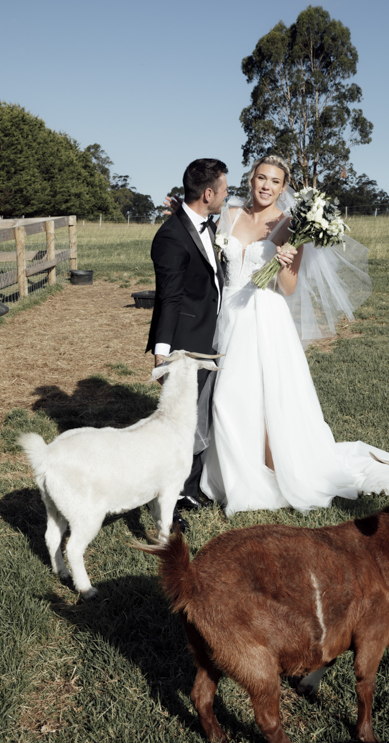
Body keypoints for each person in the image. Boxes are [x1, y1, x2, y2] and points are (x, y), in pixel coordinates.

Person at [199, 154, 389, 516]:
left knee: (261, 399)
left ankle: (270, 473)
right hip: (228, 313)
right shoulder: (229, 215)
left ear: (284, 187)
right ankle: (233, 474)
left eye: (275, 181)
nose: (266, 186)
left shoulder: (290, 224)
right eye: (261, 178)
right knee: (228, 397)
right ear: (251, 179)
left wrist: (281, 265)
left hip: (264, 316)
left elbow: (290, 288)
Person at [147, 158, 228, 529]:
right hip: (184, 344)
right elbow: (169, 298)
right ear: (208, 194)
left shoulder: (209, 224)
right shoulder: (170, 237)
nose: (227, 196)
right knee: (180, 425)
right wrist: (163, 354)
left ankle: (192, 487)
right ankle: (170, 500)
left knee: (202, 414)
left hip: (212, 334)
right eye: (224, 190)